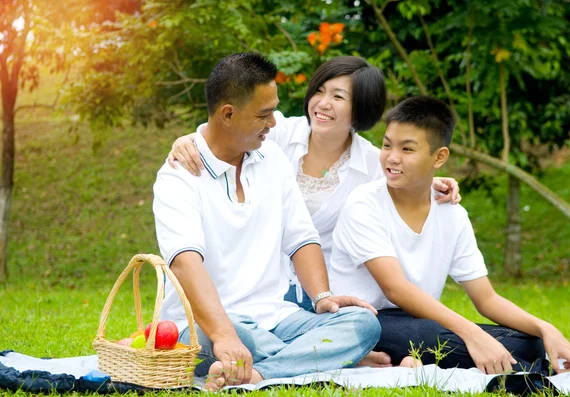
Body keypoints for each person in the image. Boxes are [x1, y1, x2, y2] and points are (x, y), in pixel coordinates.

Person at [153, 53, 386, 391]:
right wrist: (225, 336)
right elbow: (186, 265)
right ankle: (315, 357)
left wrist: (322, 297)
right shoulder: (179, 176)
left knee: (362, 324)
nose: (274, 123)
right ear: (228, 114)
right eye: (264, 115)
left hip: (277, 317)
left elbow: (301, 238)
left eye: (274, 112)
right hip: (208, 324)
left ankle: (263, 373)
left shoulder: (272, 158)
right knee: (238, 336)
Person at [167, 56, 460, 321]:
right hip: (260, 279)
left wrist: (429, 181)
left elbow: (401, 180)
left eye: (338, 96)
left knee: (359, 325)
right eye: (319, 91)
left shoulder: (372, 164)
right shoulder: (278, 132)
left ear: (361, 108)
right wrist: (187, 140)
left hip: (324, 288)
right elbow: (226, 129)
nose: (323, 103)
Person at [327, 95, 570, 379]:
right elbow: (396, 290)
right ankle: (562, 373)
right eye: (386, 145)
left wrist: (544, 328)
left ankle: (411, 362)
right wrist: (471, 333)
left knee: (529, 342)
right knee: (436, 336)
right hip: (365, 321)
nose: (392, 157)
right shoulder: (364, 203)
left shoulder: (452, 214)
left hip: (422, 320)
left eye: (407, 149)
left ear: (439, 157)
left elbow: (486, 299)